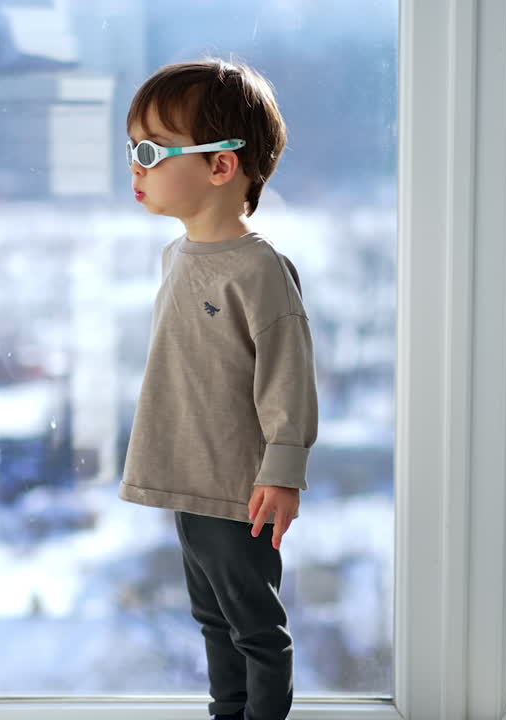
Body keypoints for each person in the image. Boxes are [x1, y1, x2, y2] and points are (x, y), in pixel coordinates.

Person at [116, 58, 318, 720]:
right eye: (131, 150)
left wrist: (282, 470)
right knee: (212, 618)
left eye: (151, 152)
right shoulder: (174, 257)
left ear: (221, 165)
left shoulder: (259, 272)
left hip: (239, 489)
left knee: (255, 626)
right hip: (187, 478)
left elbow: (288, 375)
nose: (135, 167)